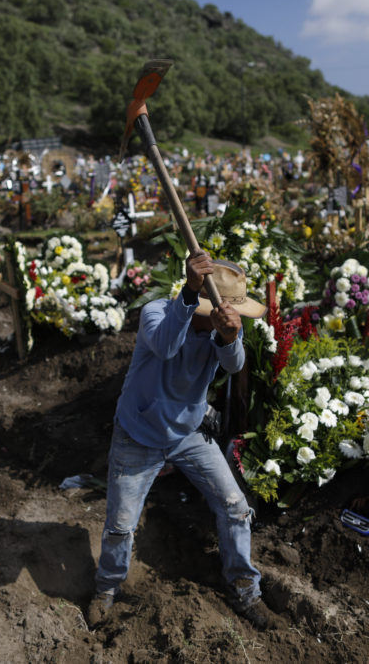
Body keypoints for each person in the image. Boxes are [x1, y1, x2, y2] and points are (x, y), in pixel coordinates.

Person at [88, 250, 285, 630]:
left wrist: (230, 337)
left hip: (189, 433)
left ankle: (246, 589)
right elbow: (165, 346)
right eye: (231, 314)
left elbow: (234, 364)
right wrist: (189, 295)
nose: (235, 321)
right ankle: (106, 589)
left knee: (235, 507)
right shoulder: (157, 312)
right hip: (138, 434)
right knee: (121, 525)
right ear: (208, 305)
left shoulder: (219, 329)